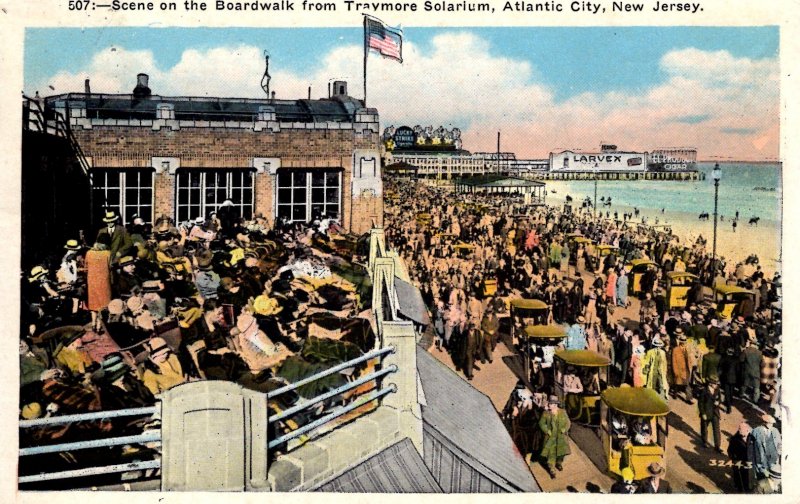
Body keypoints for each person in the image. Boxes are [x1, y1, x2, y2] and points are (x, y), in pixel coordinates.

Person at [538, 395, 571, 478]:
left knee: (561, 453)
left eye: (551, 404)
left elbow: (568, 423)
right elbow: (541, 423)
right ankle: (552, 470)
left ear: (555, 405)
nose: (549, 405)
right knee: (551, 454)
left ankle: (559, 463)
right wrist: (547, 430)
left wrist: (564, 429)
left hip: (561, 437)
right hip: (550, 438)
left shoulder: (562, 412)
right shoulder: (546, 413)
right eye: (549, 403)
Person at [86, 234, 113, 332]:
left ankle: (93, 323)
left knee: (94, 304)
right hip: (104, 282)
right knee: (103, 304)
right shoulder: (107, 253)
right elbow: (111, 266)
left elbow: (86, 266)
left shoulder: (89, 253)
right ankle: (99, 325)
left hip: (92, 281)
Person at [749, 414, 781, 483]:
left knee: (772, 479)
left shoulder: (775, 431)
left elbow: (779, 444)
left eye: (772, 424)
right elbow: (751, 447)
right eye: (770, 423)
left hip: (773, 460)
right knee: (761, 478)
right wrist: (751, 459)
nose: (771, 425)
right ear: (764, 422)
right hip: (761, 460)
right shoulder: (755, 431)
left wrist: (778, 452)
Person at [727, 421, 754, 492]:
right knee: (740, 480)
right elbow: (730, 451)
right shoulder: (734, 439)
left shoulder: (752, 438)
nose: (739, 430)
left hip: (750, 463)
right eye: (739, 428)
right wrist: (735, 460)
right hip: (740, 463)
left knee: (749, 480)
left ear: (747, 430)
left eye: (741, 429)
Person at [698, 377, 722, 452]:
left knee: (716, 430)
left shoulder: (717, 390)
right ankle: (704, 442)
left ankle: (717, 446)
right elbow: (700, 403)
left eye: (717, 384)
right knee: (704, 428)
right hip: (706, 413)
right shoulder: (704, 391)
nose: (716, 385)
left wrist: (718, 402)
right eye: (715, 384)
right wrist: (703, 413)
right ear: (710, 384)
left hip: (715, 413)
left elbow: (719, 399)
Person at [642, 336, 669, 400]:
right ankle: (650, 398)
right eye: (657, 346)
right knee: (651, 384)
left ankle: (662, 398)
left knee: (661, 385)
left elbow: (664, 363)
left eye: (659, 346)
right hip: (652, 370)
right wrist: (646, 369)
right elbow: (646, 361)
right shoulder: (650, 352)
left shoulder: (663, 353)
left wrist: (665, 371)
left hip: (660, 371)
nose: (658, 347)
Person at [670, 330, 693, 404]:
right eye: (682, 341)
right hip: (679, 369)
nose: (684, 342)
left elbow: (689, 359)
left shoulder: (687, 349)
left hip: (686, 369)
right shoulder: (675, 350)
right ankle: (675, 393)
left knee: (687, 384)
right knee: (677, 383)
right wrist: (675, 371)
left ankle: (688, 398)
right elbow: (674, 361)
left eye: (685, 341)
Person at [741, 334, 762, 403]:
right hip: (756, 371)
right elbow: (762, 363)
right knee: (756, 386)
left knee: (745, 384)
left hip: (747, 370)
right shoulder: (759, 353)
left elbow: (741, 360)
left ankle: (741, 394)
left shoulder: (746, 351)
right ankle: (755, 400)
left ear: (750, 343)